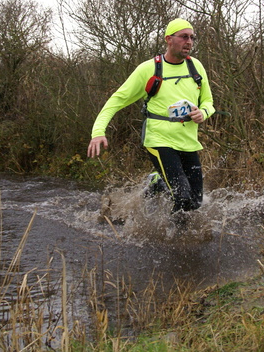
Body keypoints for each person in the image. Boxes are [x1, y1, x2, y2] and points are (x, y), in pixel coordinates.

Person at [87, 18, 215, 216]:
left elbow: (208, 101)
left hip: (188, 140)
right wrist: (98, 132)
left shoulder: (196, 67)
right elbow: (117, 100)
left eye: (192, 37)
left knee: (196, 202)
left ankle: (157, 182)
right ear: (169, 39)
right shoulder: (148, 69)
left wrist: (203, 113)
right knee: (182, 197)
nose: (189, 42)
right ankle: (176, 244)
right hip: (159, 139)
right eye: (184, 37)